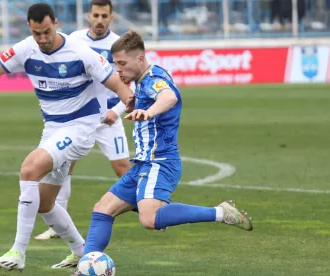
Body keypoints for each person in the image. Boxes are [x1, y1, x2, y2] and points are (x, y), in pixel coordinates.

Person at [0, 3, 134, 271]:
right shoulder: (25, 49)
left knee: (29, 168)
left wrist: (131, 104)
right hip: (52, 129)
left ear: (55, 23)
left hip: (80, 128)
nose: (42, 39)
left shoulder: (80, 53)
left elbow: (116, 83)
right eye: (36, 33)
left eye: (46, 32)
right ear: (30, 29)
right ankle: (81, 251)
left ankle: (18, 252)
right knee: (44, 203)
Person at [76, 30, 253, 270]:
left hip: (160, 162)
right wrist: (130, 105)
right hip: (142, 163)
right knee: (102, 210)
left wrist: (148, 112)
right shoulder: (142, 80)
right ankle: (86, 268)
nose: (117, 70)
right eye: (115, 64)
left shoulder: (153, 79)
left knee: (149, 219)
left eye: (122, 63)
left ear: (139, 59)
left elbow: (168, 97)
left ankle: (221, 213)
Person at [34, 0, 132, 251]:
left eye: (104, 16)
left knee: (123, 168)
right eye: (96, 15)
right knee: (63, 166)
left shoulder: (119, 45)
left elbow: (129, 83)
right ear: (88, 16)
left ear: (111, 18)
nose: (99, 20)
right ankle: (55, 225)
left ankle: (149, 209)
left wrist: (117, 110)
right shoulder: (74, 39)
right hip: (80, 116)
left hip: (109, 116)